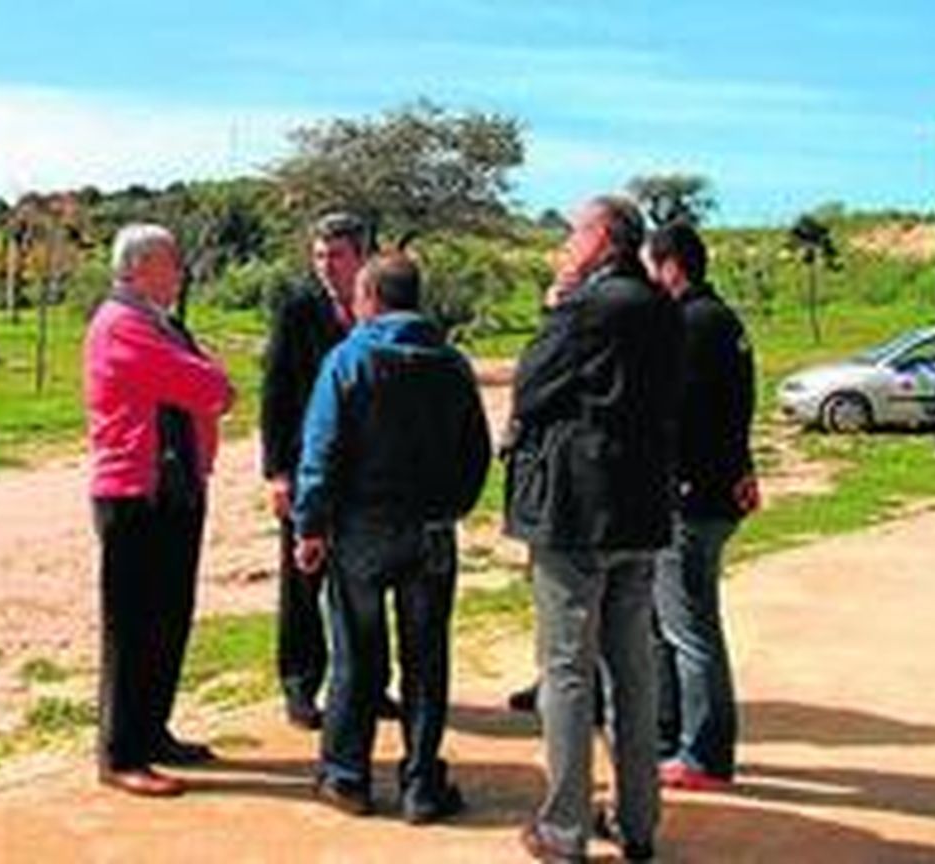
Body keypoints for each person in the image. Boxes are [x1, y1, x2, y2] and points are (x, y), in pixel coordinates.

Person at [505, 196, 680, 862]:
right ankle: (638, 821)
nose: (565, 243)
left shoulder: (587, 307)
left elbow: (530, 385)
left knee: (566, 669)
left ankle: (563, 827)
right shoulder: (662, 305)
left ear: (603, 238)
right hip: (641, 508)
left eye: (573, 232)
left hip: (578, 511)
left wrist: (555, 309)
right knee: (632, 668)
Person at [291, 252, 490, 823]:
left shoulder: (348, 361)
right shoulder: (450, 363)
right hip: (430, 529)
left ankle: (347, 776)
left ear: (371, 299)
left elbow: (321, 451)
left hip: (361, 530)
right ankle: (422, 784)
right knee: (427, 658)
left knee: (357, 654)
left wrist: (311, 524)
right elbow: (475, 451)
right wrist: (451, 507)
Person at [84, 223, 235, 797]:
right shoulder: (122, 324)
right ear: (141, 266)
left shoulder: (159, 323)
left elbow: (205, 385)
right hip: (134, 493)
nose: (181, 273)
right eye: (172, 262)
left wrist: (212, 383)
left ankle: (152, 731)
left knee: (168, 617)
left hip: (173, 489)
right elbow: (205, 386)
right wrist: (215, 382)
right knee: (132, 625)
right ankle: (120, 752)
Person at [261, 212, 398, 730]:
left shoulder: (381, 309)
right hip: (308, 469)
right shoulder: (298, 311)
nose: (325, 267)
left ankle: (371, 683)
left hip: (369, 475)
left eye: (336, 256)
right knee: (303, 582)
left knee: (367, 579)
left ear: (362, 257)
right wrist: (277, 471)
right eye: (318, 256)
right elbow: (276, 393)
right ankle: (300, 684)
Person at [644, 221, 759, 791]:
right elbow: (736, 410)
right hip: (716, 489)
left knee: (690, 627)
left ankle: (705, 753)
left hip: (691, 497)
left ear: (670, 266)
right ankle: (673, 738)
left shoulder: (690, 325)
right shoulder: (724, 319)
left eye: (648, 267)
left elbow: (679, 417)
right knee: (677, 623)